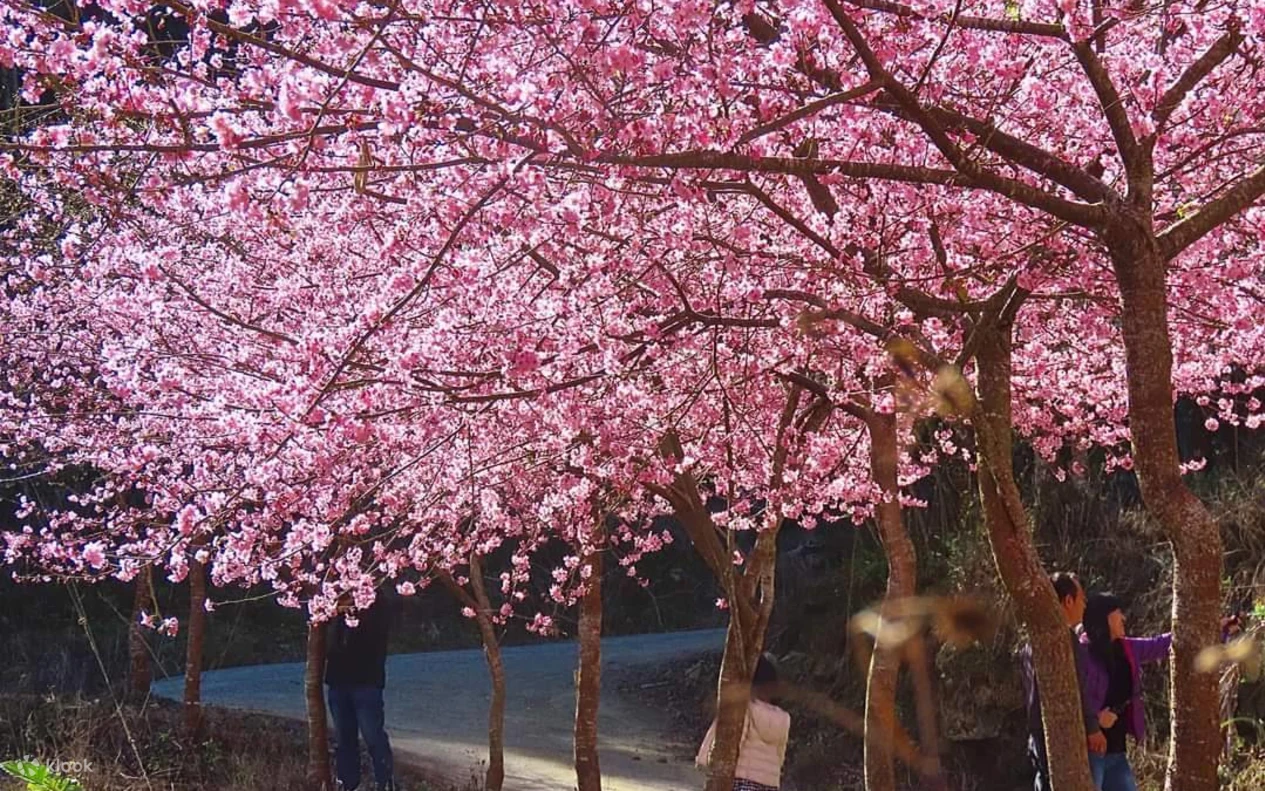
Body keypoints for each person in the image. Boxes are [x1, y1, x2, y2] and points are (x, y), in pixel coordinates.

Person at [1018, 572, 1103, 791]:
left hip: (1037, 731)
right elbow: (1077, 687)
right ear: (1068, 601)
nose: (1085, 605)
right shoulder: (1064, 641)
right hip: (1060, 735)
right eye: (1082, 599)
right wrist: (1092, 727)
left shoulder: (1030, 642)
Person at [1080, 593, 1171, 791]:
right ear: (1104, 618)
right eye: (1118, 612)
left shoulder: (1127, 648)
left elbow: (1161, 645)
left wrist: (1217, 629)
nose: (1123, 617)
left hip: (1116, 751)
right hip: (1089, 754)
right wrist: (1095, 720)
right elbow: (1069, 701)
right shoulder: (1082, 654)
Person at [326, 593, 395, 791]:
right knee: (344, 739)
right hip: (338, 680)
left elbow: (377, 631)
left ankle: (385, 782)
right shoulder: (332, 598)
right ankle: (347, 783)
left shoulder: (375, 600)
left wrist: (351, 608)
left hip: (367, 680)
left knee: (372, 735)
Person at [696, 654, 791, 791]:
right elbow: (780, 753)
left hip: (742, 779)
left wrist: (707, 760)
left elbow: (733, 741)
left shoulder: (745, 710)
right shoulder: (784, 718)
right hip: (769, 783)